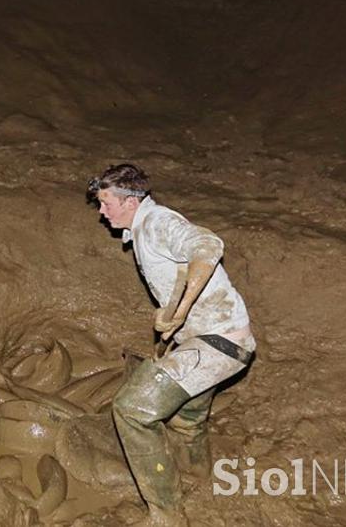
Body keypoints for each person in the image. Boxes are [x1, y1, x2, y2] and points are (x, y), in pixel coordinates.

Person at [88, 164, 255, 526]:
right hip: (216, 339)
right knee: (186, 418)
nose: (101, 212)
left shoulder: (158, 222)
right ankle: (199, 474)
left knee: (132, 409)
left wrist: (178, 312)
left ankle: (166, 515)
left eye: (106, 203)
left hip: (218, 343)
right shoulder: (144, 227)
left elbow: (209, 245)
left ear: (131, 201)